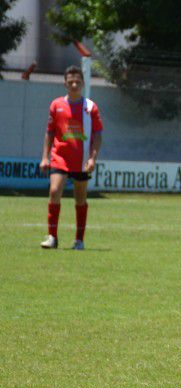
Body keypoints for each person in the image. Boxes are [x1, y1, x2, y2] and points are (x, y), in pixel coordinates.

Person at [39, 65, 102, 250]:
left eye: (77, 81)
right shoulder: (56, 105)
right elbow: (50, 133)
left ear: (82, 83)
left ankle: (79, 240)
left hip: (82, 160)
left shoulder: (90, 107)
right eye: (70, 81)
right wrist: (45, 157)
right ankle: (52, 237)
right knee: (54, 191)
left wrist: (92, 158)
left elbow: (98, 135)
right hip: (59, 157)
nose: (74, 84)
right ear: (65, 83)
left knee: (80, 199)